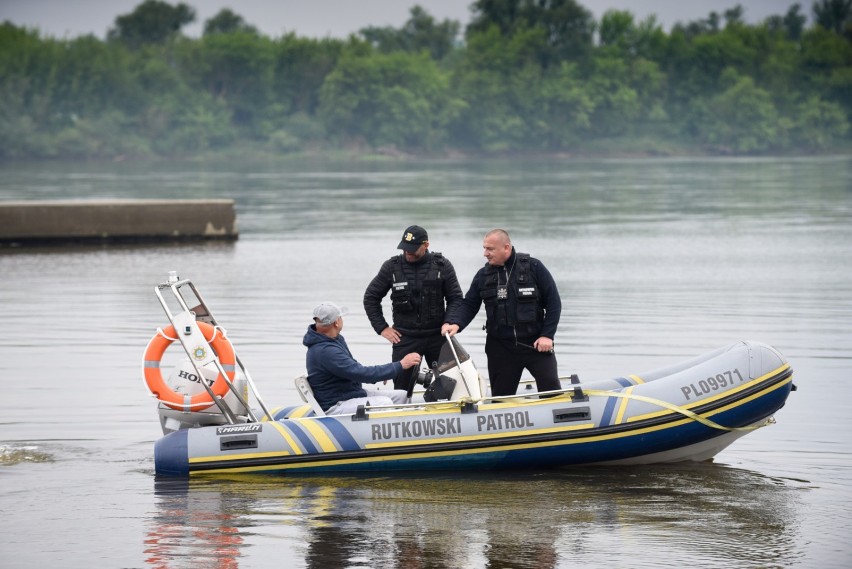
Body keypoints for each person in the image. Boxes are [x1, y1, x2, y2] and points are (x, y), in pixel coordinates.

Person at [442, 229, 562, 397]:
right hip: (501, 348)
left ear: (506, 247)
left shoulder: (533, 267)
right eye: (484, 248)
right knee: (501, 398)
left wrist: (547, 336)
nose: (485, 254)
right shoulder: (483, 275)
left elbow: (554, 303)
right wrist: (456, 323)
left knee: (552, 393)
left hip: (535, 344)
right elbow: (469, 304)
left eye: (490, 249)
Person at [363, 225, 463, 391]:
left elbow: (456, 298)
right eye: (405, 248)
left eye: (412, 249)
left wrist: (450, 321)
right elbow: (371, 298)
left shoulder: (442, 266)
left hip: (437, 336)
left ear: (426, 245)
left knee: (452, 386)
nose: (408, 252)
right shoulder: (391, 267)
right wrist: (382, 328)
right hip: (405, 338)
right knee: (402, 390)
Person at [303, 301, 421, 415]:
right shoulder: (326, 351)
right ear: (336, 323)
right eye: (340, 317)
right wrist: (400, 365)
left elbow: (354, 368)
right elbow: (360, 373)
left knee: (402, 396)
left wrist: (387, 371)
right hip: (336, 404)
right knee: (385, 403)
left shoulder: (335, 339)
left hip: (350, 394)